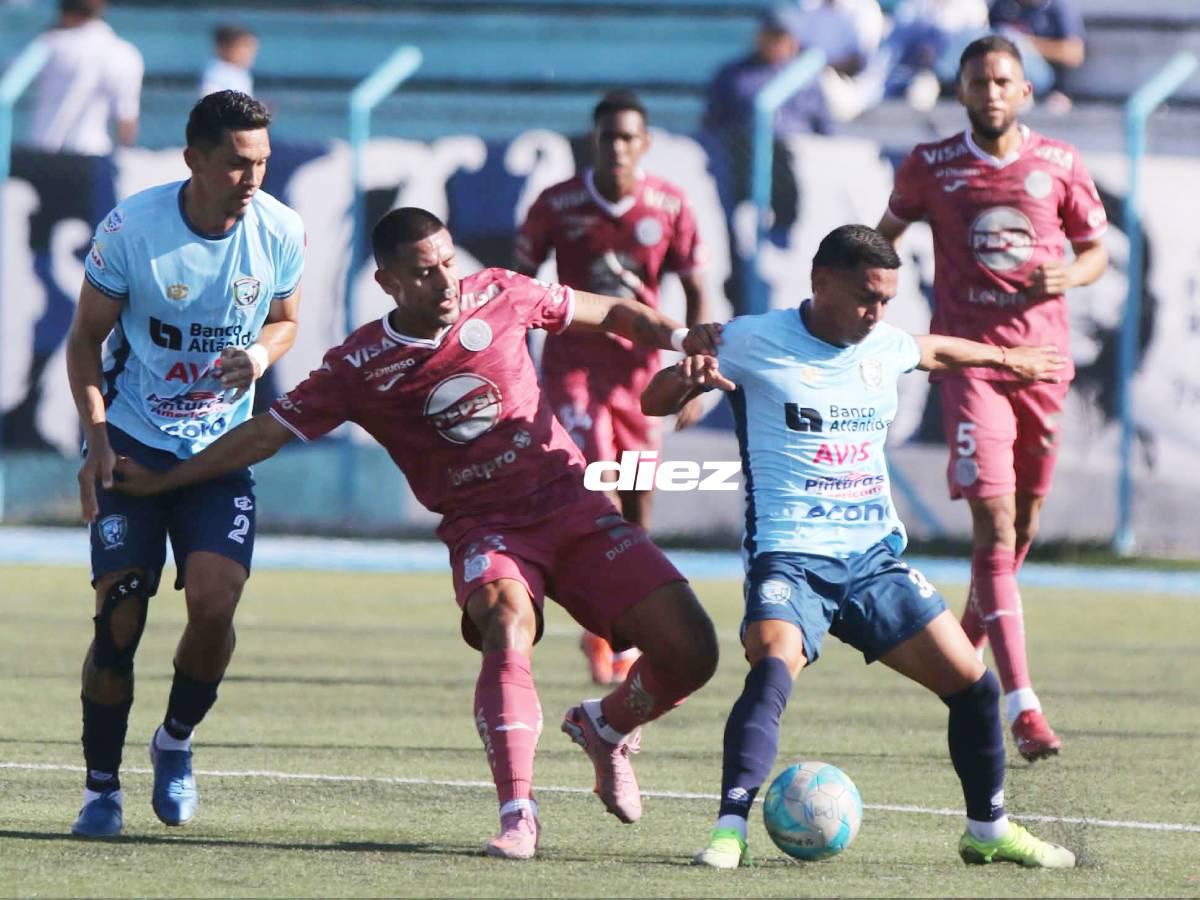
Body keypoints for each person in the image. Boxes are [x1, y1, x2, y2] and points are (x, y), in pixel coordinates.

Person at [113, 207, 720, 861]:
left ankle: (605, 725)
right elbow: (265, 433)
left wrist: (685, 337)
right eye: (425, 272)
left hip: (573, 507)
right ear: (389, 282)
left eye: (448, 263)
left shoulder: (502, 293)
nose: (445, 283)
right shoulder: (360, 366)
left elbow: (613, 314)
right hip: (487, 530)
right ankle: (520, 815)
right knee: (504, 622)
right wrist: (164, 482)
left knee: (694, 651)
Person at [641, 224, 1076, 870]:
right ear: (820, 283)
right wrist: (687, 381)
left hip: (874, 561)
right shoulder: (753, 339)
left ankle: (989, 830)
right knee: (771, 669)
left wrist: (1011, 362)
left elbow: (934, 351)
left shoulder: (884, 344)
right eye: (866, 297)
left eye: (887, 301)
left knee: (975, 688)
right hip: (790, 557)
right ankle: (729, 830)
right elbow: (655, 398)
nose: (877, 314)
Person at [66, 90, 305, 838]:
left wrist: (261, 354)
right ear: (194, 159)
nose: (253, 176)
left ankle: (174, 741)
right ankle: (101, 790)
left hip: (218, 452)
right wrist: (97, 438)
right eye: (238, 162)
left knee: (214, 604)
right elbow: (84, 342)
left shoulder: (281, 230)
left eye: (262, 161)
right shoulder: (131, 229)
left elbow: (287, 321)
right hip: (133, 442)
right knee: (121, 615)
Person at [876, 34, 1108, 761]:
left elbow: (1096, 248)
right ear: (962, 92)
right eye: (979, 82)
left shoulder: (1061, 165)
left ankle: (965, 661)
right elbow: (882, 242)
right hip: (970, 362)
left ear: (1026, 91)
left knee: (1021, 526)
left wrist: (1070, 275)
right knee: (995, 525)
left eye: (1004, 81)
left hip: (1042, 365)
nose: (992, 93)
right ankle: (1023, 705)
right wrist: (864, 310)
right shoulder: (932, 166)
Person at [515, 89, 710, 686]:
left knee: (637, 497)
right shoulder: (558, 203)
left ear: (644, 143)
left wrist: (695, 377)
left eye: (629, 137)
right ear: (593, 141)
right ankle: (603, 627)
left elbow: (696, 290)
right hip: (574, 365)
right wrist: (515, 364)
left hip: (640, 373)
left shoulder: (670, 205)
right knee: (598, 478)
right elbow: (519, 286)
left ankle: (620, 625)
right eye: (608, 137)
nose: (618, 147)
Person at [701, 6, 830, 316]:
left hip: (793, 187)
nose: (776, 43)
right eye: (771, 35)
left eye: (783, 36)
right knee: (738, 252)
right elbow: (712, 125)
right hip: (740, 179)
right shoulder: (733, 75)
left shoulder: (806, 78)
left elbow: (824, 131)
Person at [30, 0, 144, 155]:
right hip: (94, 151)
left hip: (43, 150)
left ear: (65, 13)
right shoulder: (125, 52)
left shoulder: (49, 44)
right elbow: (126, 120)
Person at [200, 25, 259, 98]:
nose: (250, 54)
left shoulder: (241, 73)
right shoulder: (216, 74)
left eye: (252, 50)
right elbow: (209, 103)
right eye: (245, 48)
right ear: (224, 47)